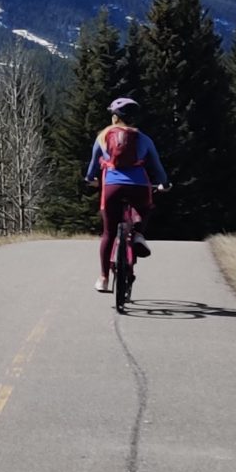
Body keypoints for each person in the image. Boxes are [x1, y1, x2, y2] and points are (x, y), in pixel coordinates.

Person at [85, 96, 166, 311]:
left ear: (114, 117)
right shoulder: (143, 139)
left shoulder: (103, 136)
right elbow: (157, 166)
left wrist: (90, 179)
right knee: (146, 208)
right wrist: (164, 183)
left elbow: (93, 164)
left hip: (111, 186)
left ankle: (103, 278)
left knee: (109, 233)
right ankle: (138, 233)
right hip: (139, 186)